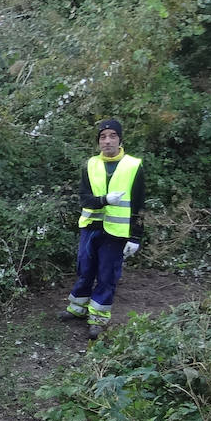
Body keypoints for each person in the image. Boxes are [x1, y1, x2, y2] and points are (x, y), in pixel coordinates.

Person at [59, 118, 145, 339]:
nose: (107, 141)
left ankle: (97, 319)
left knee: (107, 275)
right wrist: (105, 199)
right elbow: (84, 199)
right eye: (102, 137)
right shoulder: (91, 164)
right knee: (84, 269)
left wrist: (136, 236)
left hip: (116, 233)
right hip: (90, 227)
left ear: (120, 139)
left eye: (112, 136)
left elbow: (139, 205)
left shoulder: (133, 165)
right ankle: (77, 308)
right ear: (98, 142)